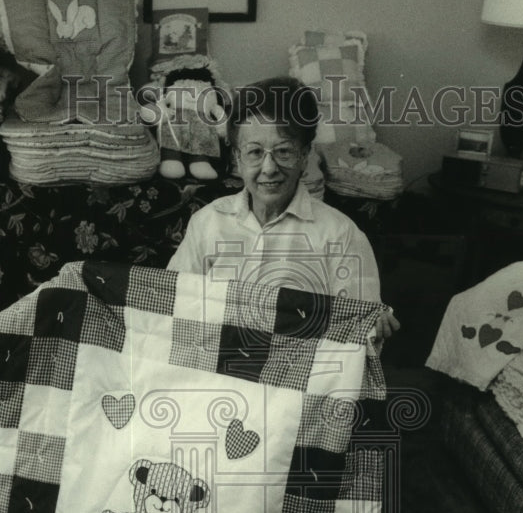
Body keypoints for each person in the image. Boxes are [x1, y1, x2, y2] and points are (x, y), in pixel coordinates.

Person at [166, 76, 400, 344]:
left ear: (304, 155)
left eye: (284, 151)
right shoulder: (207, 223)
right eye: (254, 152)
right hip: (217, 373)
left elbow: (357, 331)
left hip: (298, 379)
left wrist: (373, 325)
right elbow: (174, 303)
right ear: (237, 159)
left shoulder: (341, 234)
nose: (269, 168)